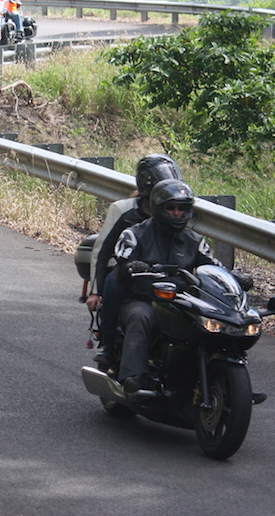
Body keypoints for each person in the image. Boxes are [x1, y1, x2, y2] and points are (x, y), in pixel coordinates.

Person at [111, 179, 220, 395]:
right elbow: (121, 265)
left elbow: (212, 267)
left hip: (183, 303)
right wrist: (131, 266)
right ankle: (134, 377)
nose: (177, 213)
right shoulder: (135, 234)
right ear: (158, 208)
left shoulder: (195, 241)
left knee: (211, 326)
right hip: (144, 300)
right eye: (170, 208)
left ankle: (214, 377)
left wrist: (234, 278)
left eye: (182, 208)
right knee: (140, 316)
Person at [85, 154, 183, 367]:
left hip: (165, 272)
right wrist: (95, 291)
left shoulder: (177, 209)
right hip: (126, 270)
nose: (176, 211)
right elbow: (102, 251)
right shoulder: (124, 210)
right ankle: (108, 346)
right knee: (116, 281)